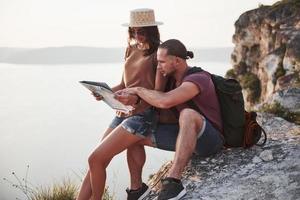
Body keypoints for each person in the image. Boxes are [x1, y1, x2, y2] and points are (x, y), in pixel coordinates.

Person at [76, 8, 170, 200]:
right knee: (96, 162)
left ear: (152, 30)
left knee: (95, 158)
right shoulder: (130, 49)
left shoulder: (159, 54)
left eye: (141, 31)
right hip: (122, 112)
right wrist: (104, 93)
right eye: (133, 31)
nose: (137, 35)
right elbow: (124, 84)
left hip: (143, 114)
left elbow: (159, 93)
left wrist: (137, 100)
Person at [117, 39, 225, 200]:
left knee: (187, 114)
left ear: (177, 61)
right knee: (133, 137)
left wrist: (138, 90)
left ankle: (173, 182)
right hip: (188, 136)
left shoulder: (198, 78)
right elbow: (156, 99)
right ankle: (137, 190)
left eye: (161, 62)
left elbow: (164, 101)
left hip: (210, 140)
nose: (158, 66)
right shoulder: (171, 81)